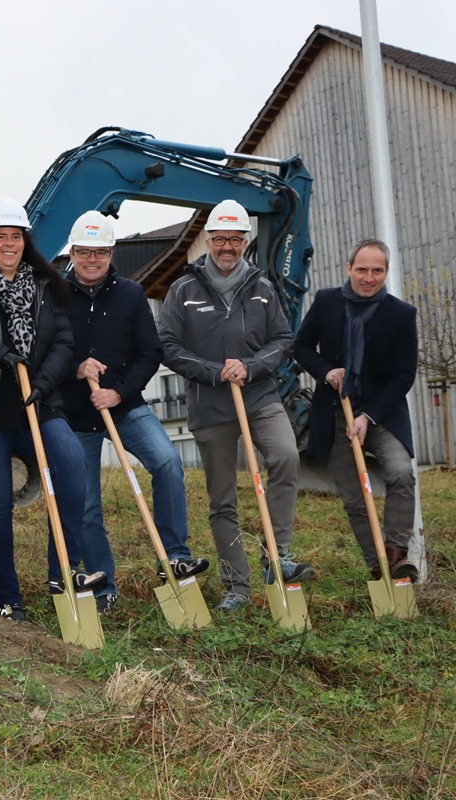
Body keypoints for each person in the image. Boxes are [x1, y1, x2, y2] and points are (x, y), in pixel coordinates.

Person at [0, 198, 105, 623]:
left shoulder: (47, 287)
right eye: (0, 237)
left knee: (70, 465)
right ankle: (7, 598)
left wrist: (43, 381)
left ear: (25, 242)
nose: (9, 244)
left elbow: (64, 344)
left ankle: (63, 572)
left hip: (37, 402)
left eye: (15, 237)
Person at [159, 199, 315, 613]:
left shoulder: (262, 288)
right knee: (222, 498)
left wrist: (250, 366)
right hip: (211, 405)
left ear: (245, 241)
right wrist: (214, 372)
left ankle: (275, 556)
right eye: (220, 239)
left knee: (285, 457)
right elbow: (169, 347)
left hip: (259, 396)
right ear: (208, 240)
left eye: (235, 239)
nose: (227, 246)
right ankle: (237, 587)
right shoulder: (183, 290)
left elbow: (283, 341)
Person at [59, 211, 208, 615]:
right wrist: (76, 367)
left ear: (112, 254)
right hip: (74, 415)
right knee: (87, 502)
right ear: (72, 252)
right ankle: (102, 586)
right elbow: (45, 353)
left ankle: (175, 557)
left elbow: (150, 353)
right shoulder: (53, 294)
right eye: (85, 251)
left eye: (101, 252)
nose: (93, 259)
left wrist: (117, 393)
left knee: (167, 463)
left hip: (125, 407)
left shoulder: (130, 294)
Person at [295, 238, 418, 581]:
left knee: (399, 473)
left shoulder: (401, 314)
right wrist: (325, 371)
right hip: (335, 412)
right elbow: (302, 346)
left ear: (385, 272)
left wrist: (369, 416)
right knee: (353, 497)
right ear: (348, 268)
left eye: (377, 270)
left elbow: (404, 374)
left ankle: (396, 555)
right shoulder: (326, 302)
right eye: (362, 269)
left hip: (382, 412)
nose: (369, 277)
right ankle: (377, 566)